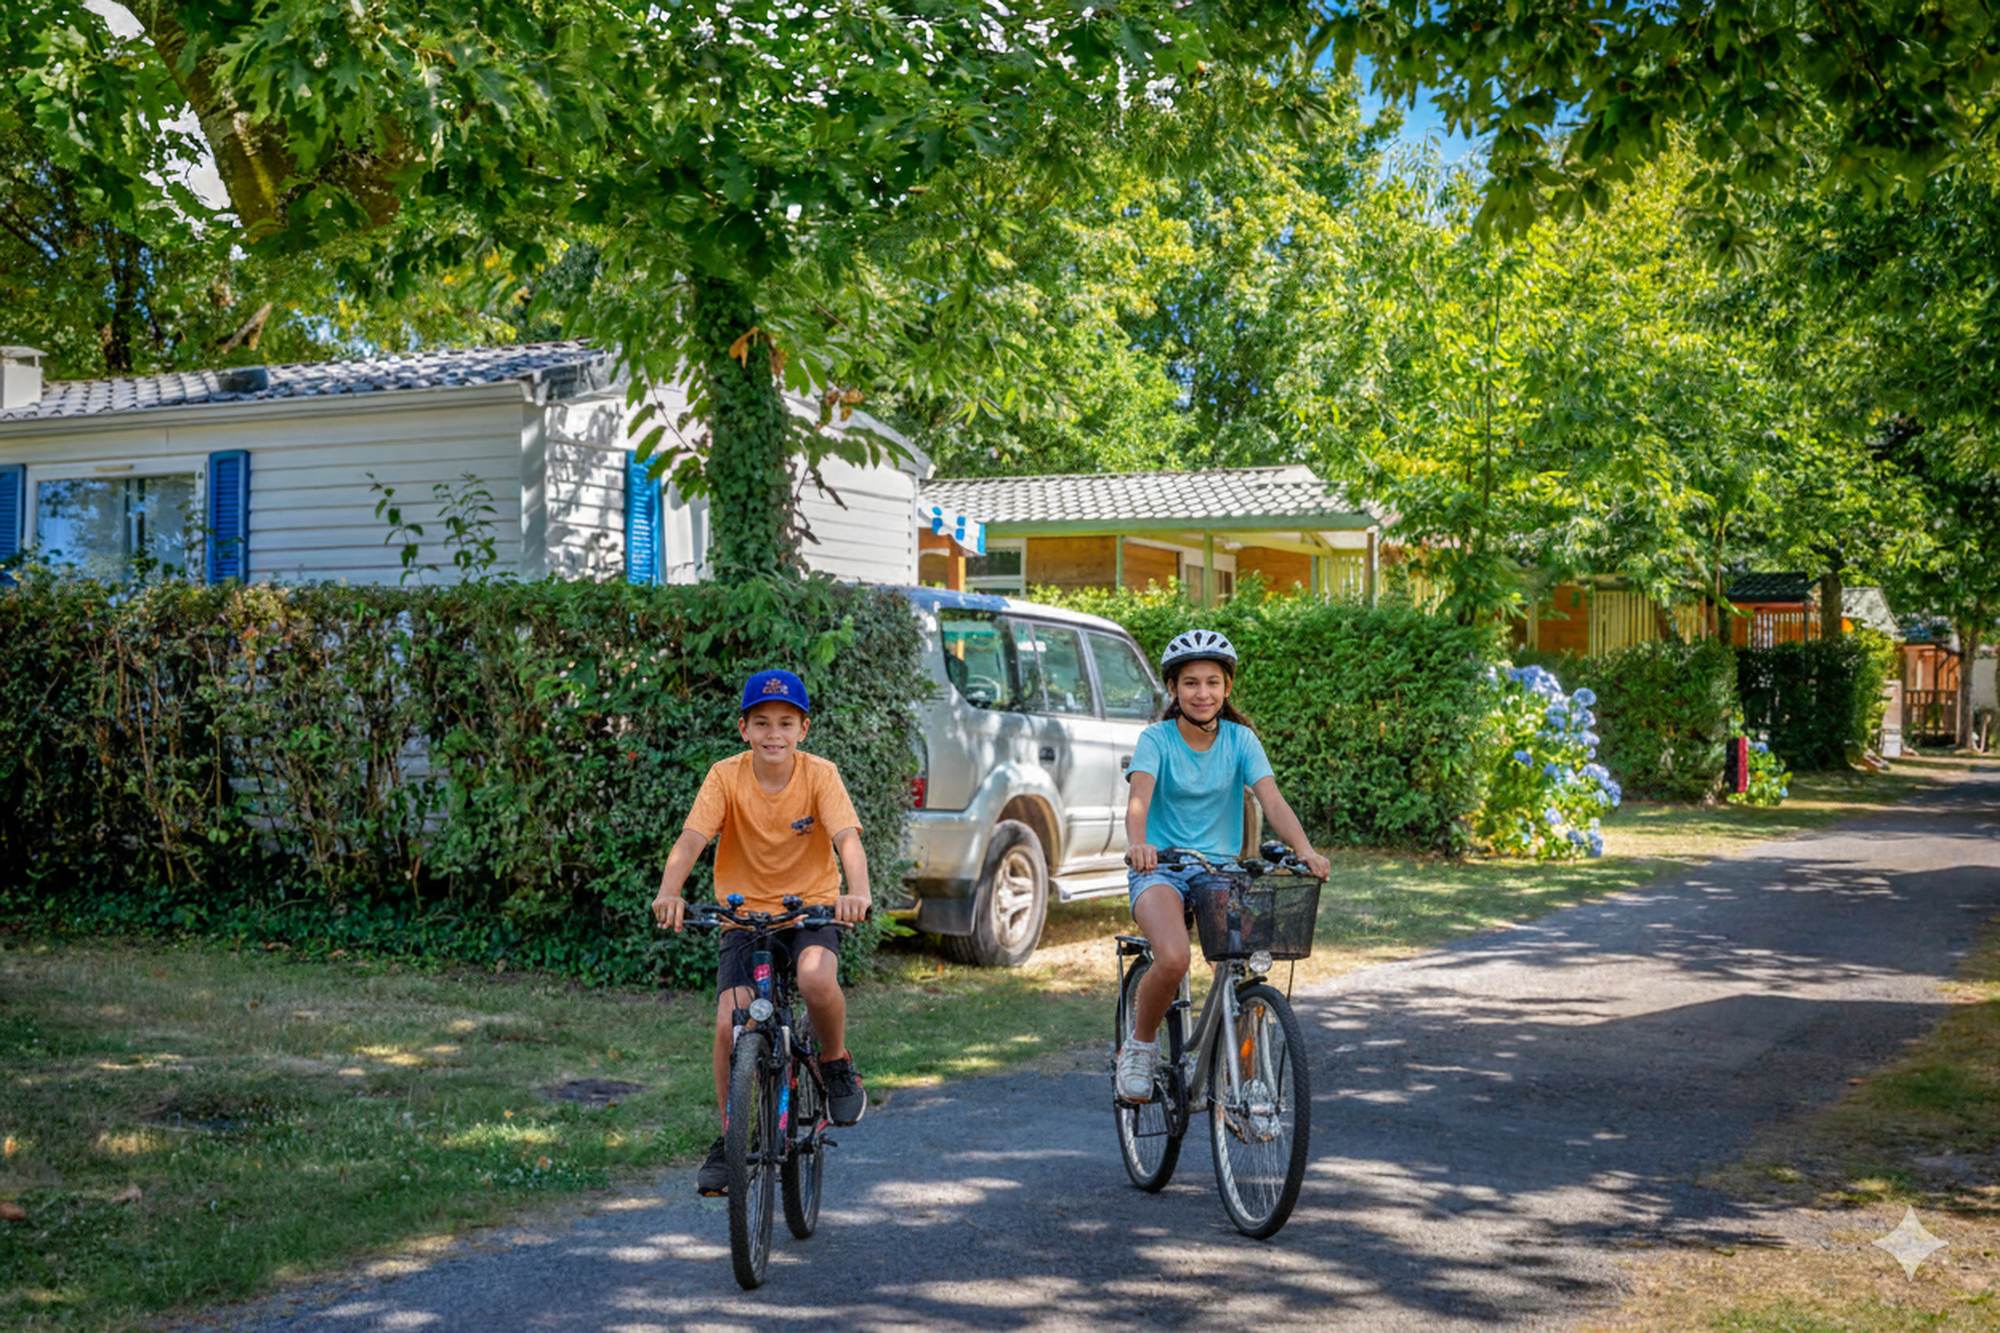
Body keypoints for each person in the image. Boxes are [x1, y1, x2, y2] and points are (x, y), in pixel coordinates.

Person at [651, 668, 873, 1196]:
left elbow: (848, 840)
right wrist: (669, 892)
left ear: (804, 729)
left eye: (785, 723)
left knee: (817, 979)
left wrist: (856, 893)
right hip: (743, 916)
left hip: (810, 910)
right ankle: (732, 1139)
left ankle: (835, 1062)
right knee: (731, 1021)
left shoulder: (820, 775)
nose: (774, 733)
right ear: (743, 728)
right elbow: (690, 840)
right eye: (762, 722)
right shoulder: (725, 776)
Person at [1116, 629, 1332, 1103]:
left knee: (1243, 969)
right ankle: (1140, 1046)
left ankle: (1250, 1079)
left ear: (1227, 688)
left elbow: (1271, 800)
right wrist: (1139, 845)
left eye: (1213, 682)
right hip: (1163, 867)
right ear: (1173, 689)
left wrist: (1306, 850)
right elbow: (1139, 801)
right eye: (1190, 683)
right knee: (1173, 958)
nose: (1202, 693)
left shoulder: (1241, 740)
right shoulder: (1156, 740)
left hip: (1220, 872)